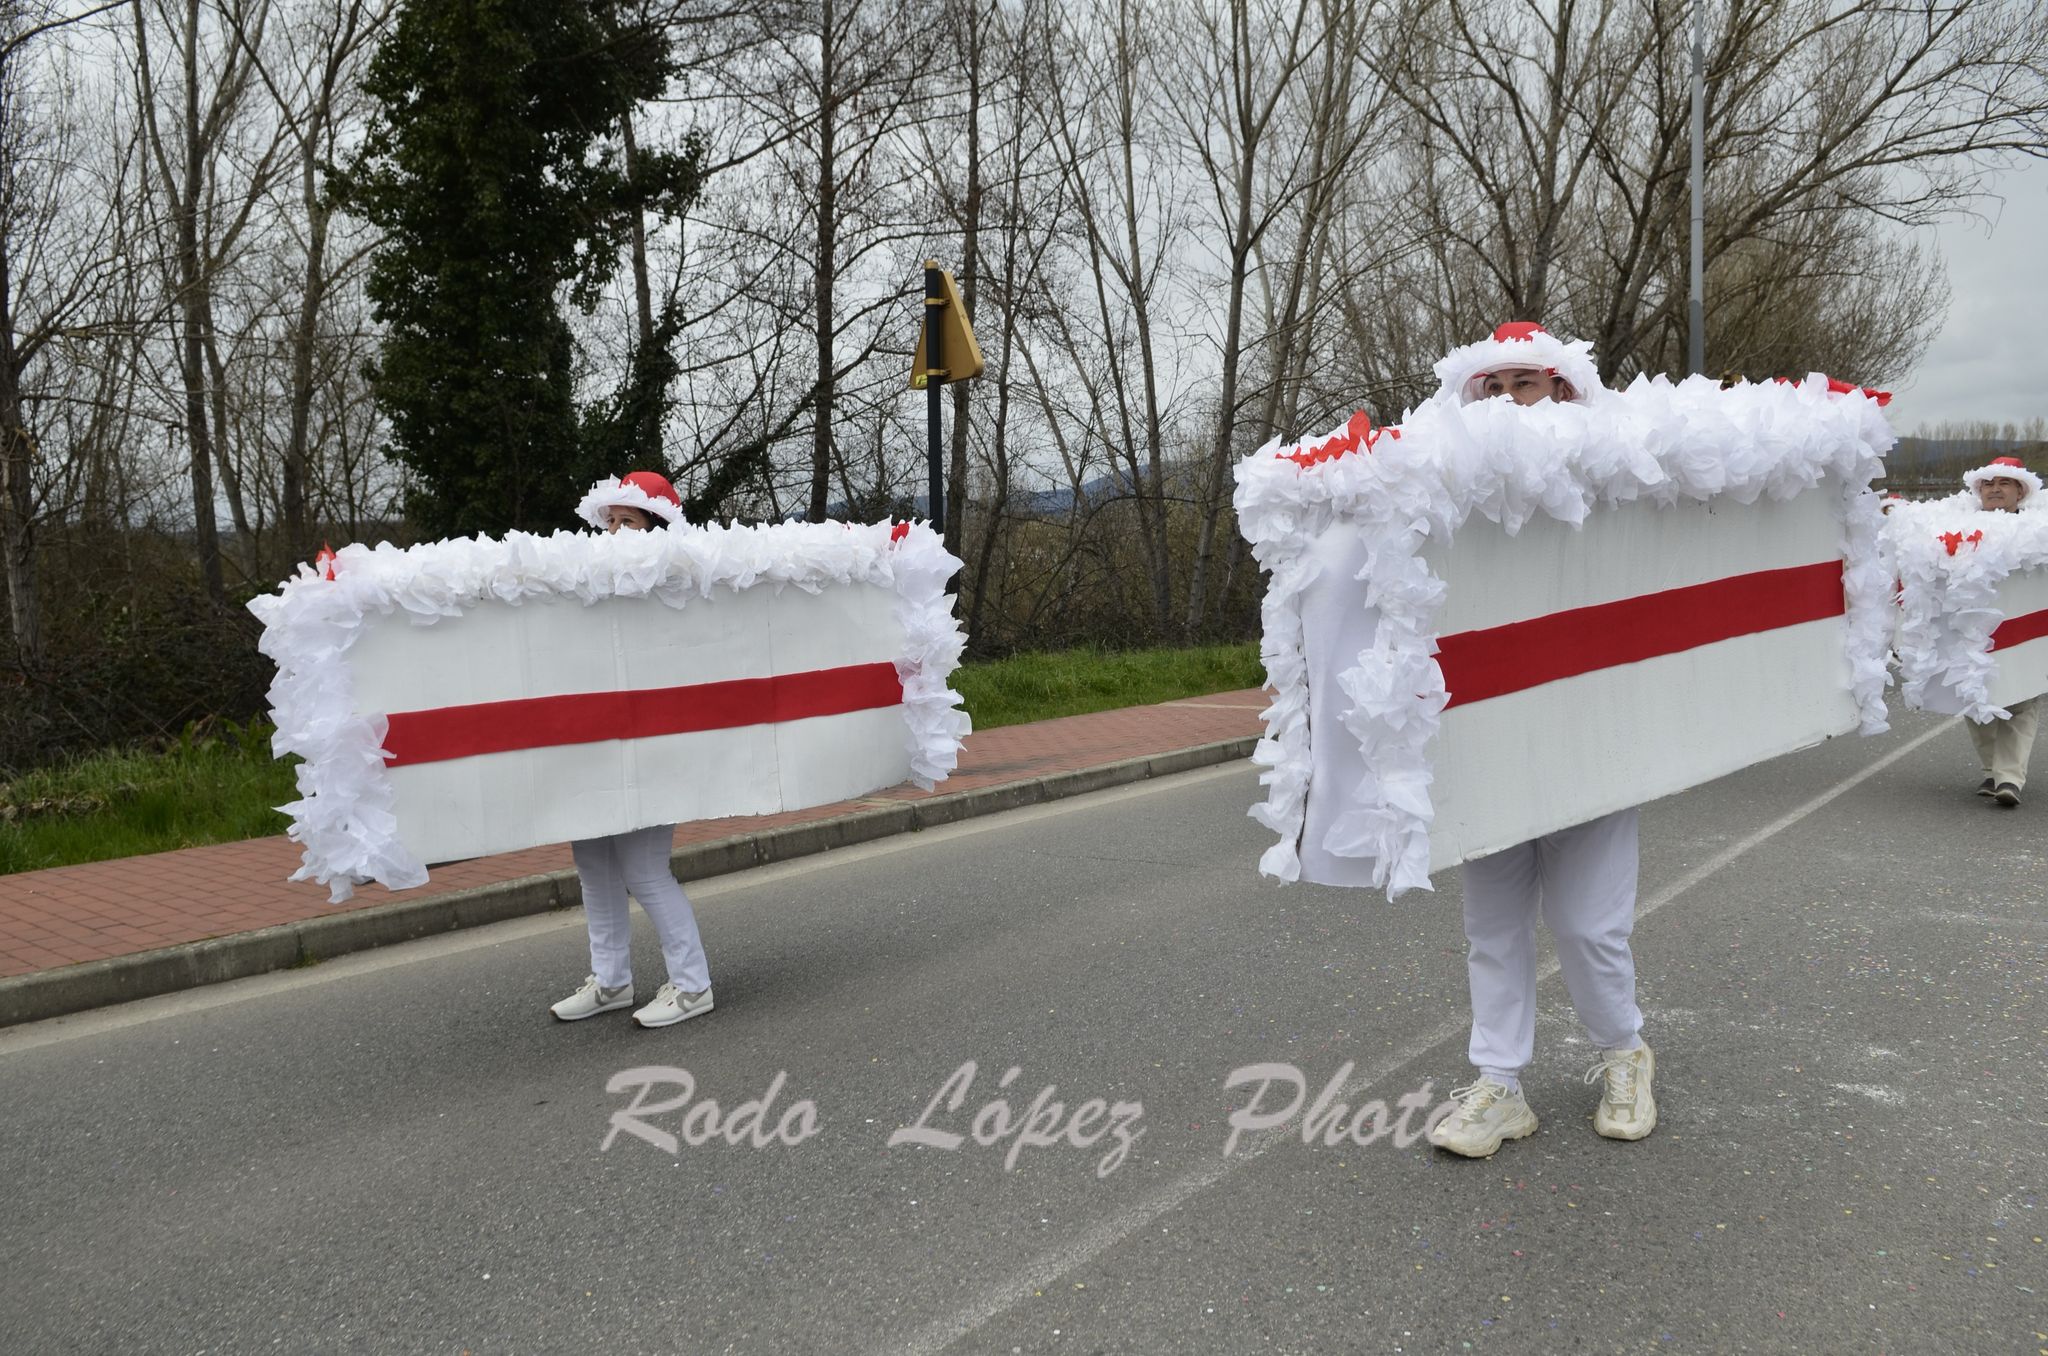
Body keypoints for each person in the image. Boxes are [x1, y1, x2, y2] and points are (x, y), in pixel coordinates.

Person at [1416, 322, 1657, 1158]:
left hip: (1590, 735)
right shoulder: (1450, 487)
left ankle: (1625, 1053)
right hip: (1493, 740)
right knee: (1494, 927)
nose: (1507, 401)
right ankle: (1500, 1086)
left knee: (1589, 926)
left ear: (1560, 390)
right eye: (1493, 388)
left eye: (1524, 384)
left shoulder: (1611, 476)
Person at [549, 471, 717, 1029]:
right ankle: (612, 981)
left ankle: (693, 987)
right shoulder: (590, 584)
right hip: (593, 743)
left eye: (630, 521)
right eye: (611, 521)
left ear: (657, 527)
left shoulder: (677, 581)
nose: (616, 531)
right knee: (594, 864)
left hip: (653, 747)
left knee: (644, 870)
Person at [1961, 455, 2042, 808]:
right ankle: (1994, 771)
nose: (1995, 489)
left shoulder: (2041, 528)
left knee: (2021, 701)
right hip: (1975, 632)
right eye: (1988, 484)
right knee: (1975, 703)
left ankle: (2009, 779)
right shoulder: (1956, 527)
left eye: (2004, 483)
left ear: (2020, 492)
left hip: (2026, 631)